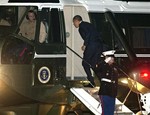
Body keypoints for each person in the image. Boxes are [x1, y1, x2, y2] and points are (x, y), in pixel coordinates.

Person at [73, 15, 103, 88]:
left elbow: (88, 34)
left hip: (91, 46)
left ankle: (92, 82)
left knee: (85, 63)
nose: (74, 24)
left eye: (74, 22)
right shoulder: (89, 25)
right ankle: (103, 81)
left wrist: (85, 45)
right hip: (98, 46)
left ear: (77, 21)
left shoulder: (81, 26)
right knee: (93, 64)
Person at [94, 50, 118, 115]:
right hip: (105, 91)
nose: (112, 60)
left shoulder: (113, 67)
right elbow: (97, 69)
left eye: (112, 58)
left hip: (112, 92)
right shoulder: (103, 66)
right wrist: (105, 62)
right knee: (105, 110)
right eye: (111, 59)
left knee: (111, 110)